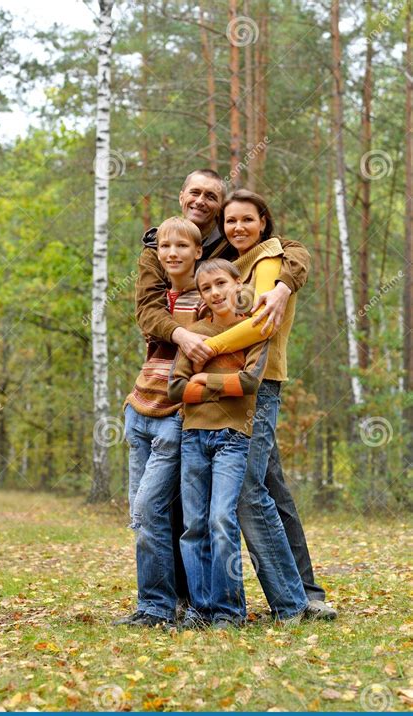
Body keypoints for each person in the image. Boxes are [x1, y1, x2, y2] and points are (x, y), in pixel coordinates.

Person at [136, 170, 336, 619]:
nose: (203, 202)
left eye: (213, 197)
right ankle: (194, 600)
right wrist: (186, 341)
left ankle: (299, 596)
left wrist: (286, 284)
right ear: (182, 196)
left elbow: (294, 252)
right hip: (185, 392)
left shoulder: (244, 255)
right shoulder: (162, 252)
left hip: (247, 384)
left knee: (257, 490)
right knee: (202, 504)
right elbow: (148, 312)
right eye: (196, 193)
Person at [168, 259, 273, 628]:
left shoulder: (255, 328)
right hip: (193, 437)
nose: (215, 293)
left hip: (233, 438)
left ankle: (229, 611)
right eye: (206, 288)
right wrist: (211, 384)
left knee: (220, 521)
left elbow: (248, 384)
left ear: (236, 283)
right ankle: (200, 609)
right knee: (194, 525)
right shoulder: (194, 333)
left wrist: (203, 379)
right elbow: (176, 389)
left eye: (220, 284)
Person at [115, 217, 203, 628]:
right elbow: (150, 328)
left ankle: (159, 606)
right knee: (142, 516)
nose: (171, 253)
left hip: (172, 417)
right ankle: (151, 604)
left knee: (150, 510)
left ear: (198, 253)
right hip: (139, 411)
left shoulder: (205, 300)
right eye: (164, 247)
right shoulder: (156, 300)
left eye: (181, 247)